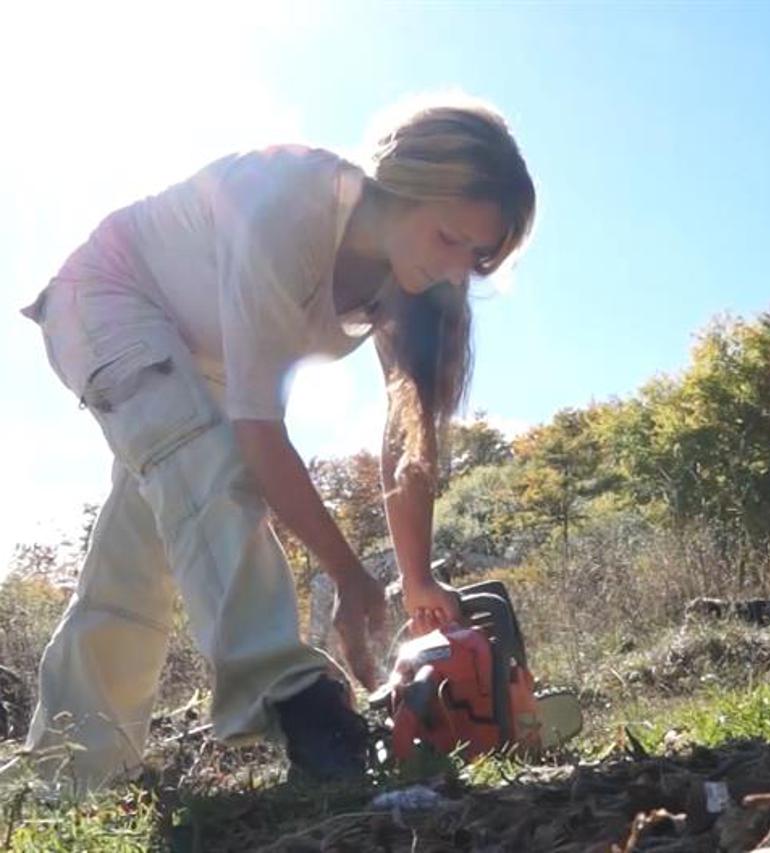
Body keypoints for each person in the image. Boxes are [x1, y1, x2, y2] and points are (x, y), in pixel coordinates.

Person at [14, 96, 535, 793]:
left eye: (475, 257)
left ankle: (65, 776)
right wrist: (350, 576)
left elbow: (405, 439)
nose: (454, 271)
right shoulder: (291, 202)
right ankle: (297, 700)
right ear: (402, 185)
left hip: (200, 359)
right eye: (448, 239)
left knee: (135, 562)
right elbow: (258, 432)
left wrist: (414, 578)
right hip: (106, 299)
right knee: (208, 462)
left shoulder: (407, 282)